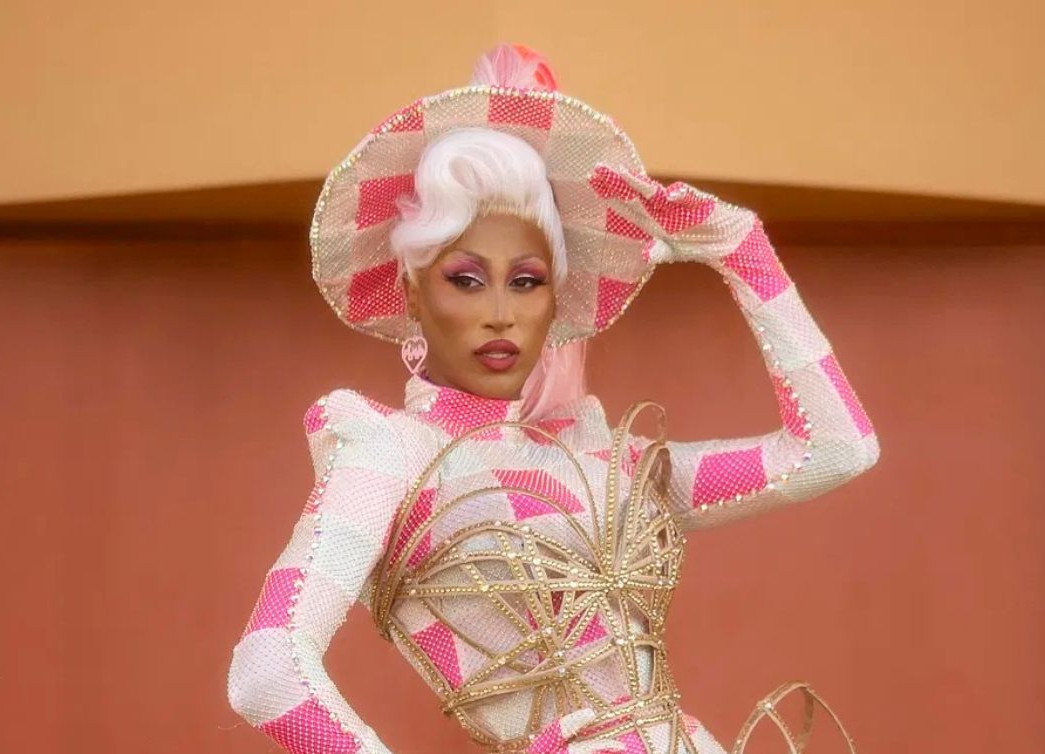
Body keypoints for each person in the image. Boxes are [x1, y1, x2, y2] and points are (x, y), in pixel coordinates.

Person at [227, 45, 880, 754]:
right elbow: (266, 671)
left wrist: (742, 252)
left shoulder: (605, 463)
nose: (500, 314)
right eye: (466, 280)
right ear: (412, 290)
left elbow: (835, 449)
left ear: (554, 297)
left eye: (527, 281)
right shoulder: (389, 454)